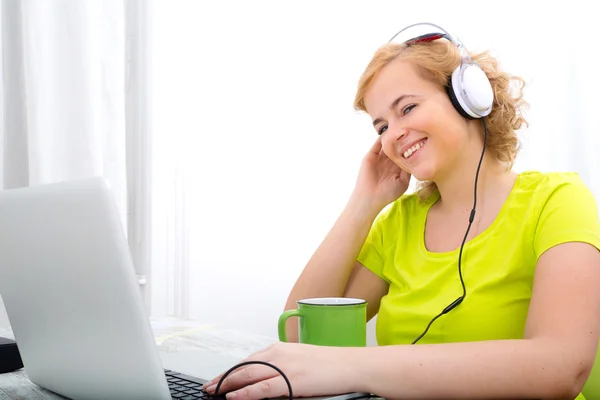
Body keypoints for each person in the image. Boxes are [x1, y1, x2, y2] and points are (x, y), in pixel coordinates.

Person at [202, 23, 600, 400]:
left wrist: (356, 367)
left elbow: (559, 368)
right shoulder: (399, 224)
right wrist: (365, 202)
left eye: (406, 108)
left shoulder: (558, 200)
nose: (393, 134)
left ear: (469, 96)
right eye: (380, 127)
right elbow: (299, 335)